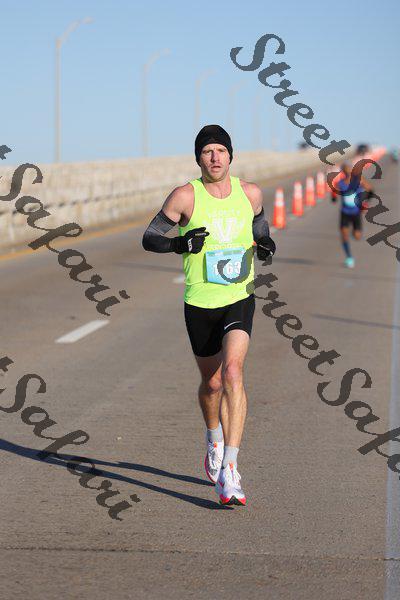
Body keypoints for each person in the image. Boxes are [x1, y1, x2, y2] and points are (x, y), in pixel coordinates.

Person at [142, 124, 276, 506]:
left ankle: (230, 469)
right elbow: (150, 237)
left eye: (221, 150)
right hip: (200, 302)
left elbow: (260, 225)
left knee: (233, 373)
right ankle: (214, 438)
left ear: (231, 155)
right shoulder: (185, 196)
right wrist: (179, 243)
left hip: (239, 295)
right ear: (198, 158)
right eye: (207, 151)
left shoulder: (250, 193)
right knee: (212, 384)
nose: (215, 157)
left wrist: (265, 243)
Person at [332, 161, 372, 268]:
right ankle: (349, 257)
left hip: (356, 213)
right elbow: (334, 193)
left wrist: (365, 203)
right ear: (343, 171)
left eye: (349, 170)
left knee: (357, 236)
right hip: (345, 212)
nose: (348, 172)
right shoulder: (340, 183)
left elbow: (369, 189)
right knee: (344, 234)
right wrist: (334, 196)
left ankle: (354, 230)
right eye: (345, 170)